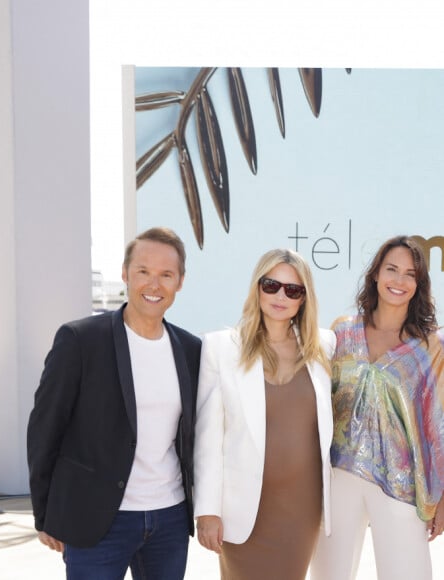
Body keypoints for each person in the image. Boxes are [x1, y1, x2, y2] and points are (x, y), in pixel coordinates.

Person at [27, 227, 201, 579]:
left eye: (166, 275)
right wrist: (45, 513)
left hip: (169, 518)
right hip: (97, 520)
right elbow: (45, 428)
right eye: (143, 272)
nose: (154, 285)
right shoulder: (80, 340)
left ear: (180, 282)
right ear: (125, 274)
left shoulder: (191, 349)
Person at [194, 248, 335, 580]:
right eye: (271, 285)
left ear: (304, 298)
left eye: (293, 289)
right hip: (242, 509)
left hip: (301, 508)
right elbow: (208, 440)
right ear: (257, 287)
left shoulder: (324, 347)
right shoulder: (221, 348)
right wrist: (208, 511)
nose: (280, 296)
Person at [310, 235, 444, 580]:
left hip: (402, 486)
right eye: (392, 269)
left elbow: (439, 425)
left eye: (410, 274)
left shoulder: (430, 346)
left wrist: (441, 495)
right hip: (338, 476)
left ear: (419, 284)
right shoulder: (342, 331)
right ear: (375, 275)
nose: (399, 281)